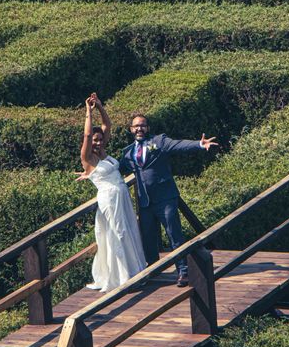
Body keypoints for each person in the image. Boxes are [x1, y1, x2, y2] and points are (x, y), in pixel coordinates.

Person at [120, 114, 217, 287]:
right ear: (131, 129)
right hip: (144, 202)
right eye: (136, 126)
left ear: (148, 128)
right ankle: (153, 270)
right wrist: (94, 169)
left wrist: (199, 144)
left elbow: (178, 145)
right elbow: (115, 169)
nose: (139, 129)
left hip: (165, 198)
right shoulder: (127, 152)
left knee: (174, 234)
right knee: (148, 238)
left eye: (142, 125)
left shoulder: (159, 141)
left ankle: (183, 271)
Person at [77, 93, 146, 292]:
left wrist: (99, 106)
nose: (98, 142)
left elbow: (108, 125)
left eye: (100, 140)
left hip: (121, 195)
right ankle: (122, 276)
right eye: (95, 141)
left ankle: (134, 271)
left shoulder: (104, 152)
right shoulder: (88, 158)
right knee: (118, 232)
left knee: (129, 229)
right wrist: (88, 113)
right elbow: (87, 136)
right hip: (109, 198)